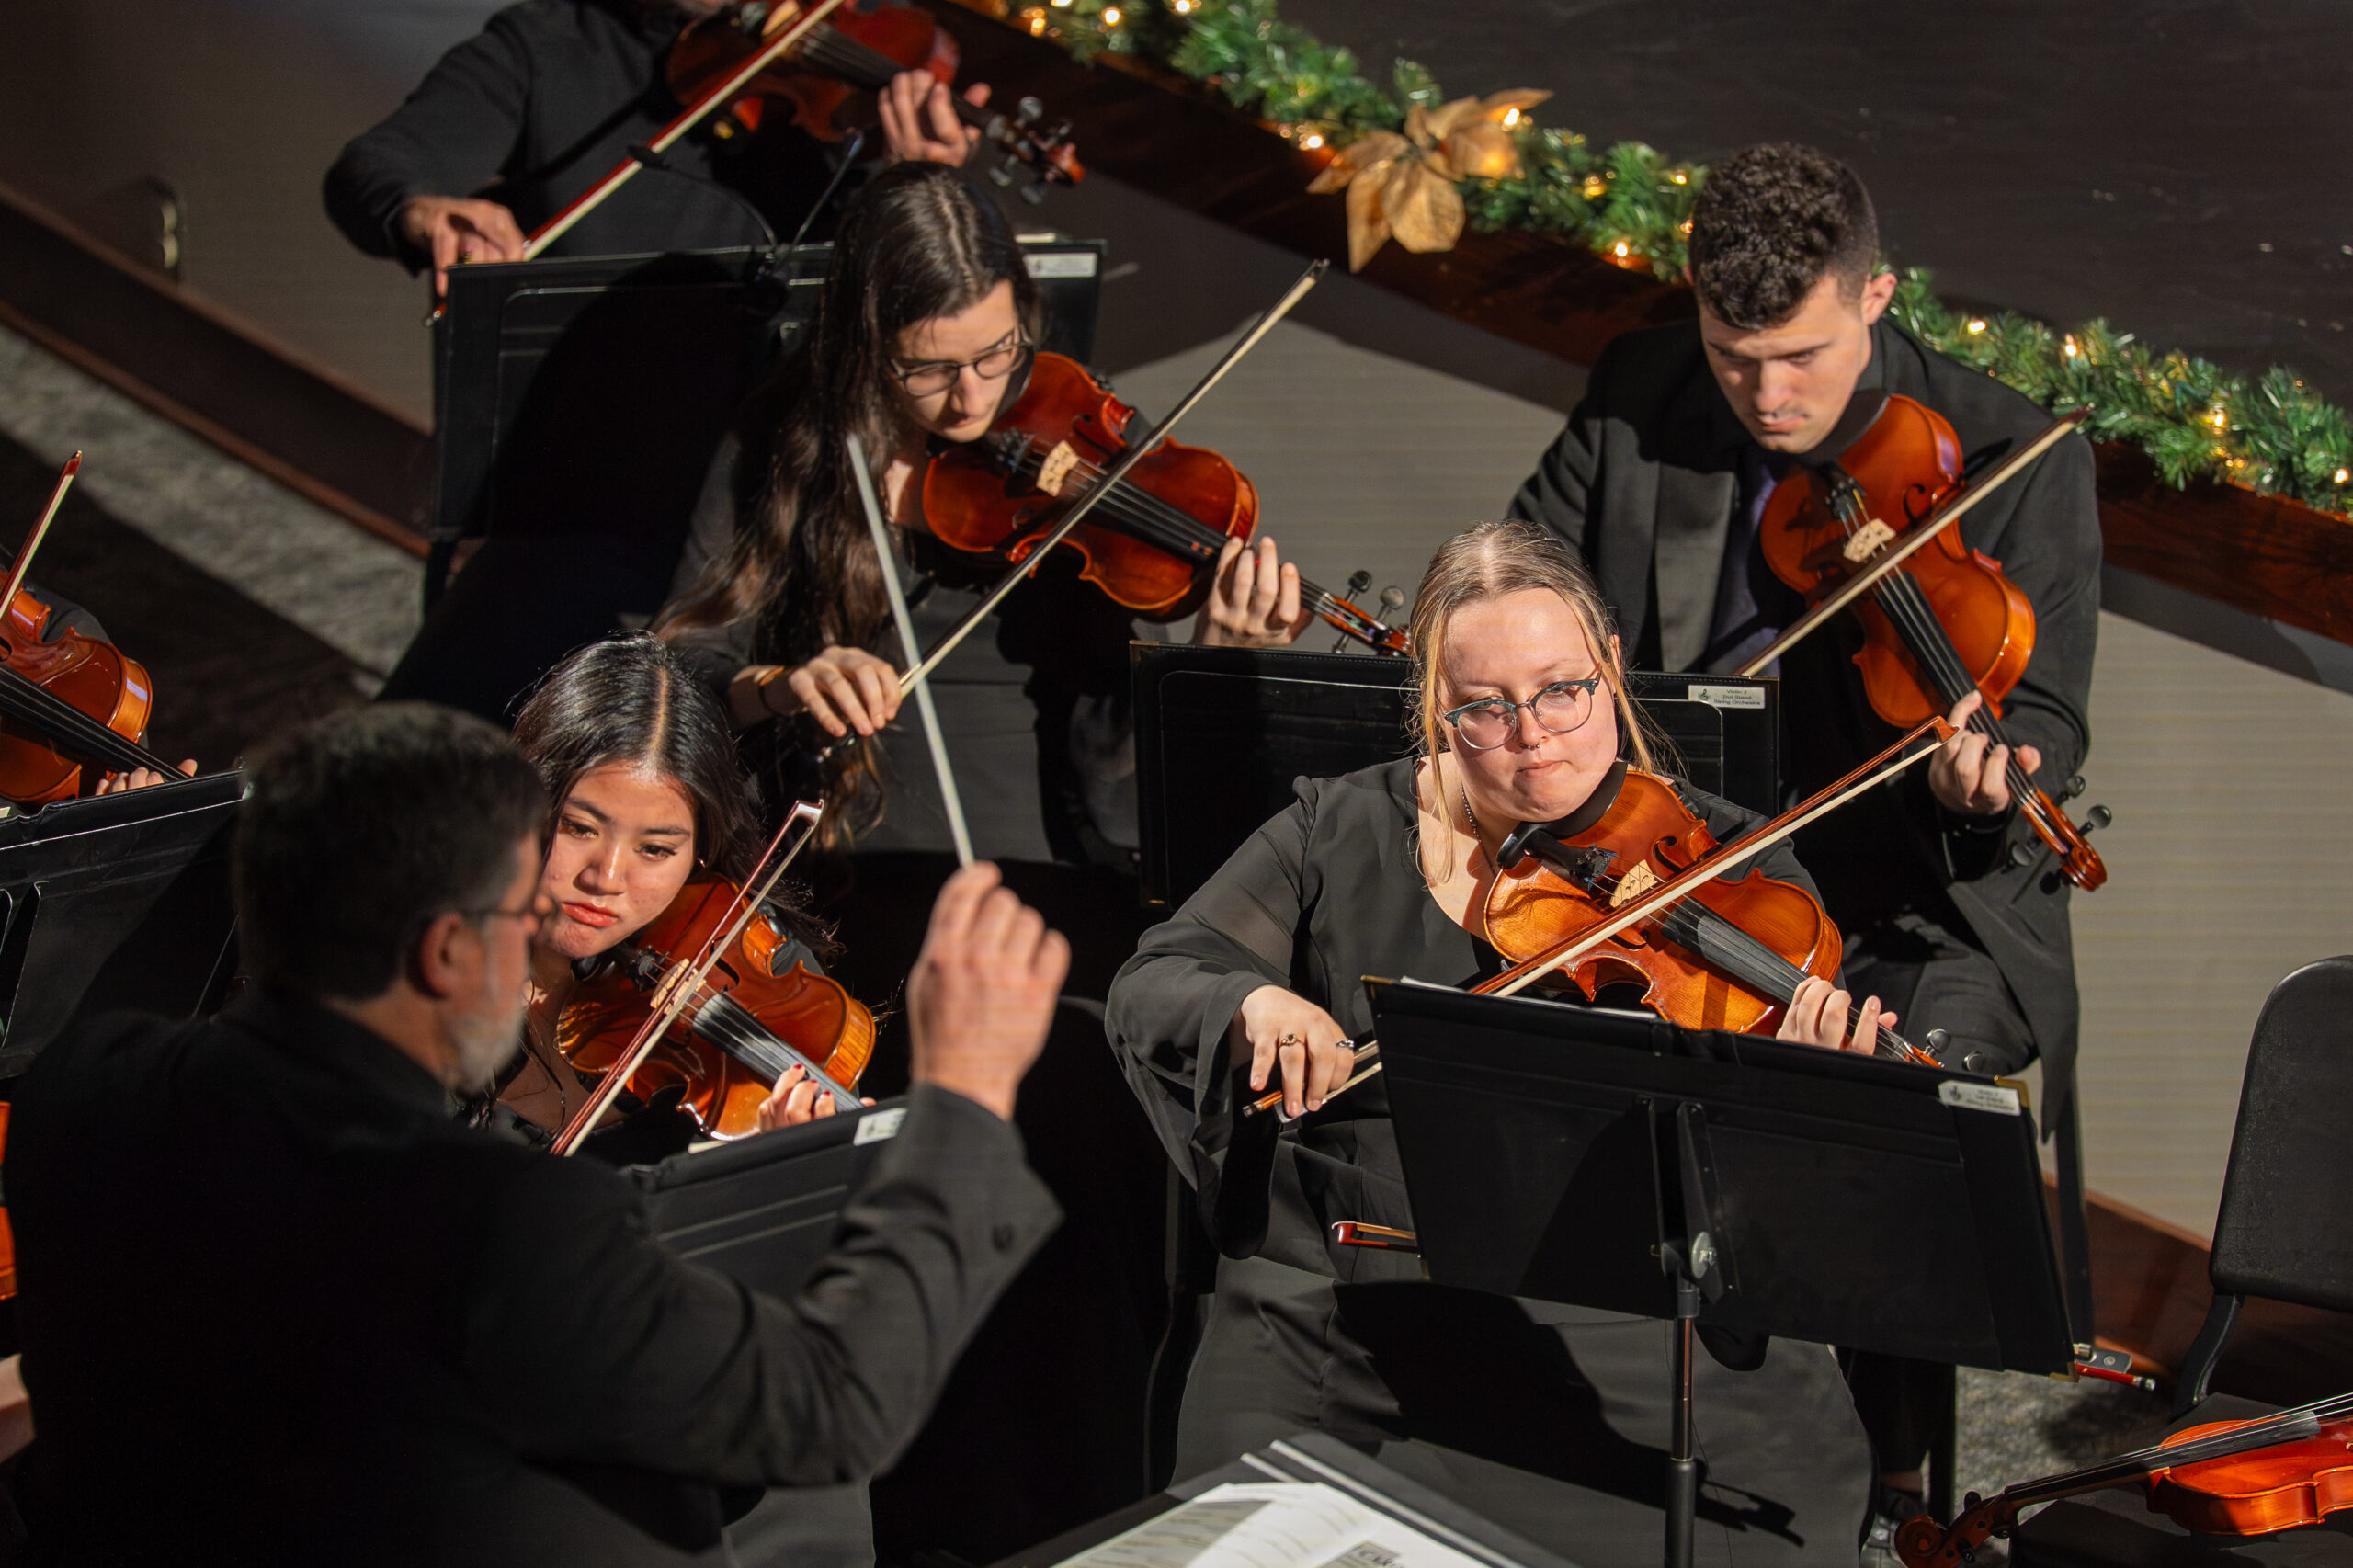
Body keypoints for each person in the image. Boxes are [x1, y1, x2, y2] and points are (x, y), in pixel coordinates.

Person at [3, 700, 1068, 1564]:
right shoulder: (500, 1219)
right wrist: (966, 1099)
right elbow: (831, 1407)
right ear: (443, 955)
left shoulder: (86, 1087)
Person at [1506, 142, 2102, 1548]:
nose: (1771, 399)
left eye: (1807, 357)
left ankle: (1888, 1467)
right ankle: (1621, 1407)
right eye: (1735, 357)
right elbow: (1520, 570)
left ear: (1881, 294)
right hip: (1681, 869)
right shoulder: (1643, 392)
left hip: (1923, 900)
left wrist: (1981, 783)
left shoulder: (2014, 458)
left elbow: (2055, 717)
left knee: (1893, 1077)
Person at [1105, 521, 1877, 1567]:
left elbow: (1787, 1202)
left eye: (1564, 690)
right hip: (1364, 1304)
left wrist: (1828, 1090)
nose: (1535, 736)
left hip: (1630, 1331)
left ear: (1609, 668)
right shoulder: (1337, 828)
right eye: (1485, 708)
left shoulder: (1733, 870)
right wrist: (1253, 1003)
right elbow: (1157, 978)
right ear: (1436, 708)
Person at [658, 157, 1315, 872]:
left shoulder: (1081, 430)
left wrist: (1203, 656)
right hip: (827, 839)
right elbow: (684, 665)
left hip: (1046, 836)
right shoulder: (783, 445)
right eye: (930, 368)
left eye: (997, 352)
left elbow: (1114, 735)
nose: (972, 398)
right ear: (867, 348)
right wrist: (782, 686)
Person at [324, 0, 995, 293]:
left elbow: (877, 295)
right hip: (580, 428)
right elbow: (374, 169)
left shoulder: (835, 91)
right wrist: (425, 214)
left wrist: (917, 191)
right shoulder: (548, 43)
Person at [491, 632, 849, 1151]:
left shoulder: (745, 954)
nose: (606, 879)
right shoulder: (419, 966)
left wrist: (778, 1166)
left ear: (700, 852)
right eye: (578, 828)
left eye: (655, 850)